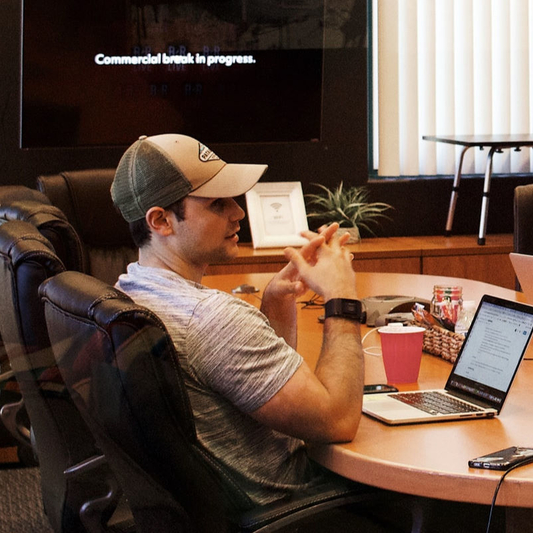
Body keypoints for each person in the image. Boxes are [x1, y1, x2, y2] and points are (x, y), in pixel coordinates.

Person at [108, 133, 368, 510]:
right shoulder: (211, 319)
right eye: (217, 204)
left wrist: (276, 301)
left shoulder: (129, 290)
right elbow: (338, 421)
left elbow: (252, 387)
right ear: (161, 220)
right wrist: (342, 298)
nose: (238, 212)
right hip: (299, 506)